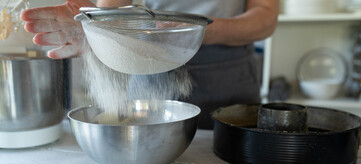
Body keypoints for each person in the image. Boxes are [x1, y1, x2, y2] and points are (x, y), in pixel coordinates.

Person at [21, 0, 279, 129]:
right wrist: (99, 25)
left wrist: (195, 31)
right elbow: (115, 6)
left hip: (229, 76)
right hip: (148, 65)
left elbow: (265, 16)